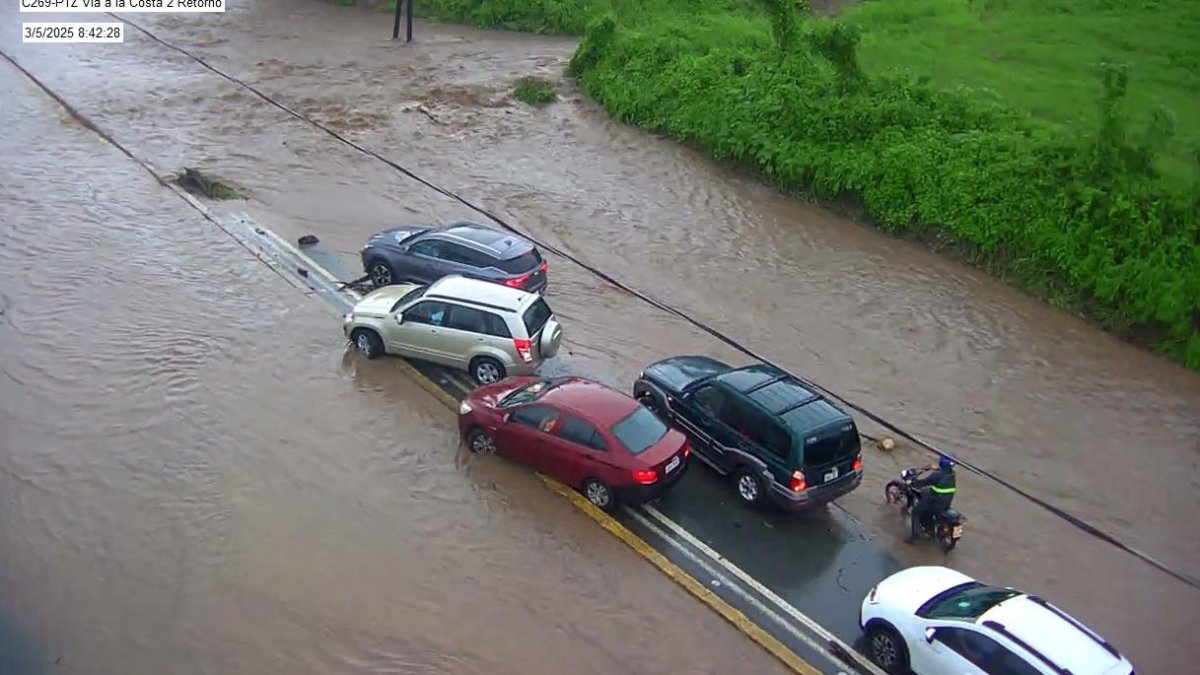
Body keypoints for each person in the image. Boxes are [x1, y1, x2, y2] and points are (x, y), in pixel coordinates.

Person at [907, 455, 957, 543]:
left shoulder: (937, 475)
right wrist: (936, 469)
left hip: (935, 501)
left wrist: (911, 482)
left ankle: (915, 536)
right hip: (946, 502)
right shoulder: (952, 474)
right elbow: (942, 474)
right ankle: (930, 531)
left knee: (915, 513)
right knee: (928, 514)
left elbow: (924, 482)